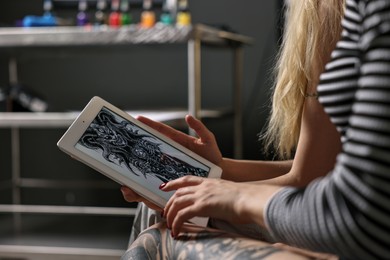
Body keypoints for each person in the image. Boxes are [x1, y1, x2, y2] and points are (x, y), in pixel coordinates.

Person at [121, 0, 390, 258]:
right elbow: (317, 170)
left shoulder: (337, 9)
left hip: (357, 232)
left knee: (163, 227)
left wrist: (234, 195)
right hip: (348, 218)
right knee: (175, 198)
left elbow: (354, 209)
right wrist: (219, 171)